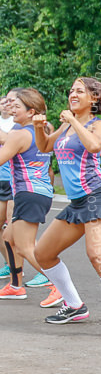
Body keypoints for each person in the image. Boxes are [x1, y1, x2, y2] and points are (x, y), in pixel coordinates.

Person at [33, 78, 101, 337]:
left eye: (79, 91)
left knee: (98, 256)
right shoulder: (66, 125)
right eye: (71, 90)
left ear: (93, 99)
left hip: (98, 196)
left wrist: (73, 121)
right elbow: (45, 146)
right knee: (43, 253)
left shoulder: (96, 124)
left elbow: (94, 146)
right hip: (78, 202)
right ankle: (74, 305)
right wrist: (38, 127)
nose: (73, 93)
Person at [0, 88, 59, 306]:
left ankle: (59, 286)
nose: (11, 109)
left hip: (28, 193)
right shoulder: (41, 130)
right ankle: (16, 286)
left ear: (31, 111)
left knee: (25, 246)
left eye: (17, 107)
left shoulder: (20, 134)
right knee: (8, 237)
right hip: (40, 192)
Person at [0, 93, 14, 283]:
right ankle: (10, 265)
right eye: (2, 102)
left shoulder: (17, 124)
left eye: (9, 101)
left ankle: (46, 273)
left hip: (14, 181)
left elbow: (9, 141)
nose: (5, 104)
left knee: (13, 229)